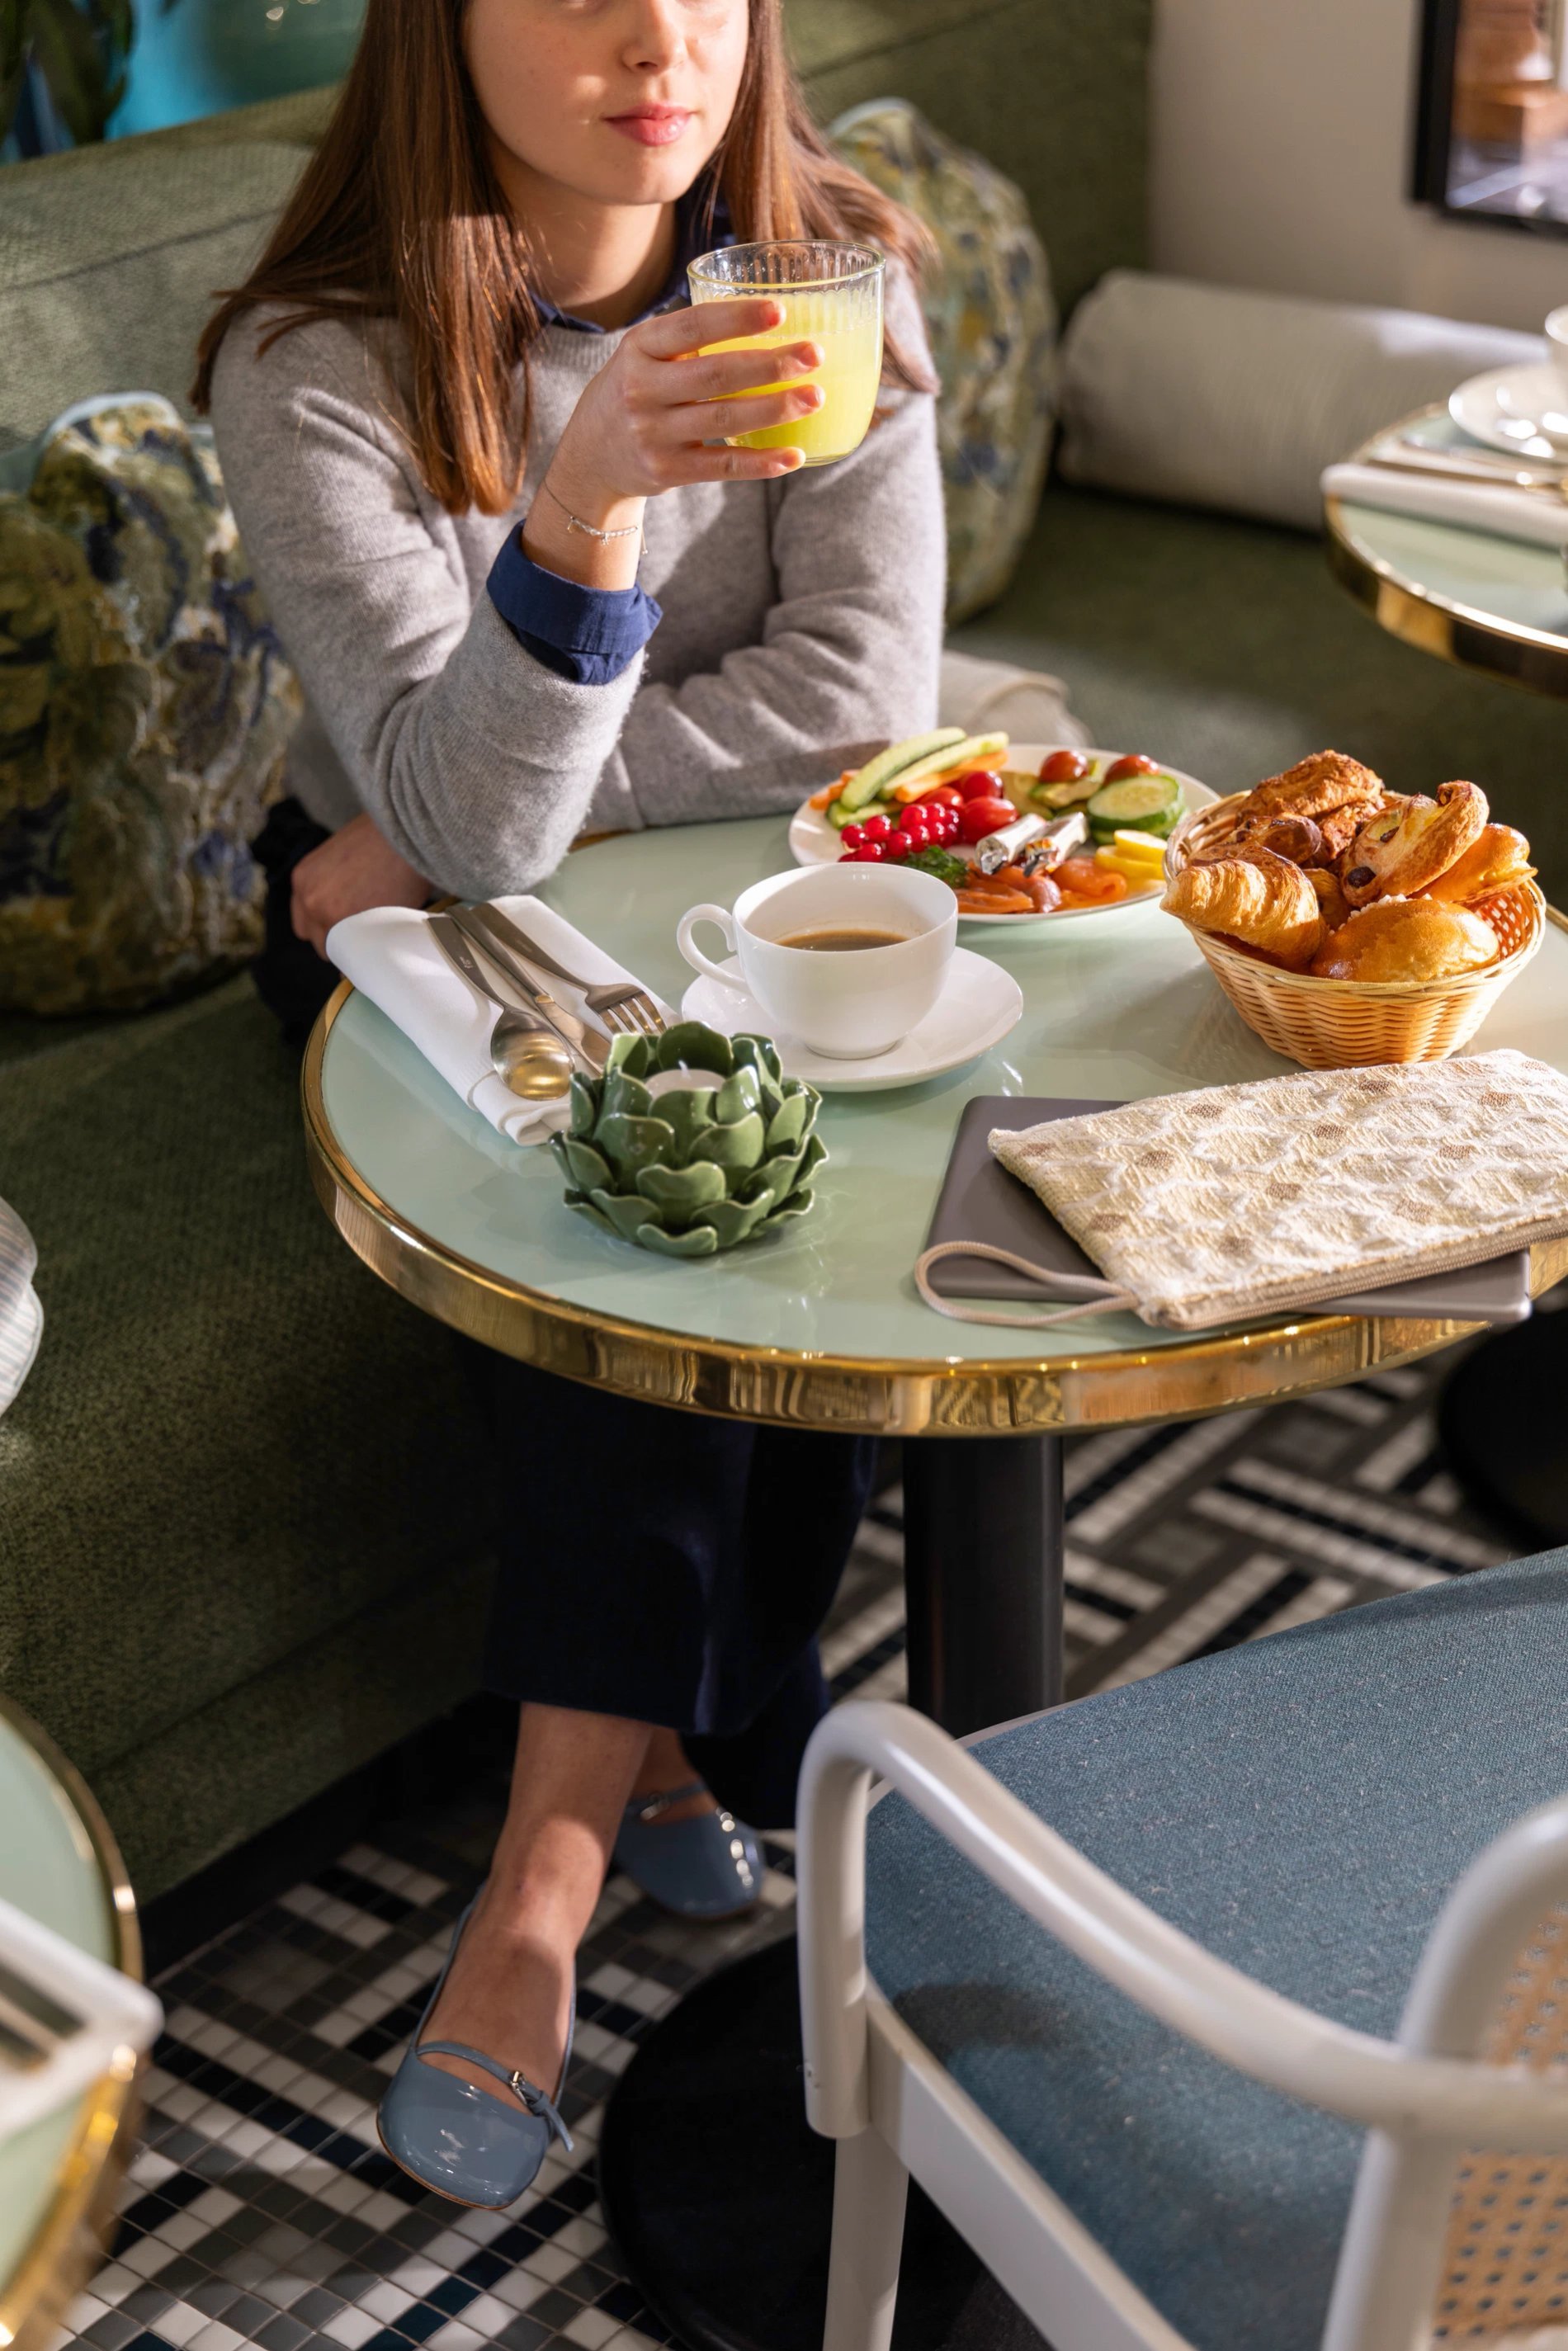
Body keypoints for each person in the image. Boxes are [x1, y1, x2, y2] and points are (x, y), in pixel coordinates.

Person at [199, 0, 944, 2210]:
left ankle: (658, 1744)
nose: (654, 35)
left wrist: (451, 805)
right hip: (397, 946)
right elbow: (474, 833)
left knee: (830, 1141)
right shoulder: (317, 357)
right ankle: (550, 1872)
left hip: (682, 898)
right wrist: (590, 492)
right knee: (660, 1190)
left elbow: (854, 705)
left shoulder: (830, 283)